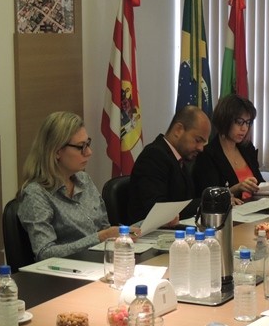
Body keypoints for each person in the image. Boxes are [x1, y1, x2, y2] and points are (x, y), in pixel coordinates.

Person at [17, 112, 139, 261]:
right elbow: (45, 253)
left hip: (99, 261)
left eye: (88, 144)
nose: (89, 152)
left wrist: (135, 229)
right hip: (67, 270)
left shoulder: (83, 179)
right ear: (57, 152)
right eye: (81, 147)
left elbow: (104, 228)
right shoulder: (36, 194)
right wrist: (101, 237)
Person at [128, 105, 211, 224]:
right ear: (178, 130)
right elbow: (157, 210)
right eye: (198, 140)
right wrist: (207, 203)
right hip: (150, 232)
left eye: (203, 143)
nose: (201, 148)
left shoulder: (179, 159)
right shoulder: (154, 156)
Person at [193, 94, 264, 203]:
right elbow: (208, 196)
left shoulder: (247, 148)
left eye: (247, 122)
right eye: (239, 122)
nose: (244, 128)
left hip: (254, 207)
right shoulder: (208, 155)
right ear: (225, 120)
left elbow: (260, 183)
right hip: (231, 212)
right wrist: (234, 189)